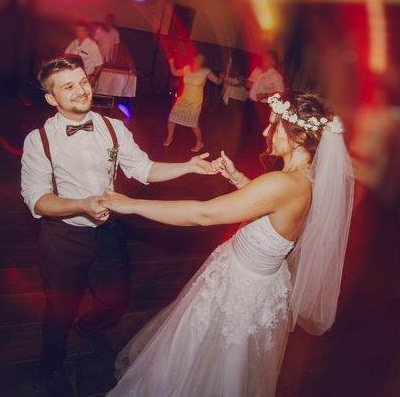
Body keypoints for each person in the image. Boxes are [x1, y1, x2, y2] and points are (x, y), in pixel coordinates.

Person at [102, 91, 355, 397]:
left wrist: (131, 205)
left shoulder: (281, 183)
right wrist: (238, 179)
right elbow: (271, 209)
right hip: (263, 283)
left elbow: (203, 214)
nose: (265, 132)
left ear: (298, 137)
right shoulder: (305, 180)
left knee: (205, 357)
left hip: (241, 288)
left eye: (274, 126)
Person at [20, 54, 218, 396]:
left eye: (83, 82)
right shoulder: (39, 141)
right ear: (51, 98)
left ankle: (90, 325)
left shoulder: (114, 127)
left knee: (117, 297)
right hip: (63, 236)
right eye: (68, 87)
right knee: (59, 308)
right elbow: (36, 199)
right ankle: (50, 365)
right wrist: (81, 205)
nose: (81, 91)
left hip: (108, 230)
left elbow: (143, 168)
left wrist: (186, 166)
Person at [164, 53, 224, 152]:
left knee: (193, 125)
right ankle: (169, 137)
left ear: (203, 61)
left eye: (201, 59)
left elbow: (217, 81)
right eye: (197, 58)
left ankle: (199, 143)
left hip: (195, 103)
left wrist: (221, 77)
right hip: (183, 99)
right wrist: (171, 63)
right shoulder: (187, 69)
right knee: (171, 119)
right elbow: (175, 73)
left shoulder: (205, 72)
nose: (198, 61)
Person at [64, 20, 103, 87]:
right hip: (72, 75)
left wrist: (93, 77)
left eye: (81, 31)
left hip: (84, 77)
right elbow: (66, 55)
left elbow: (99, 64)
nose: (78, 33)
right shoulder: (74, 42)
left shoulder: (91, 45)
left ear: (87, 32)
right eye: (77, 31)